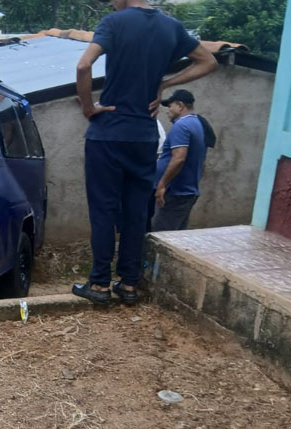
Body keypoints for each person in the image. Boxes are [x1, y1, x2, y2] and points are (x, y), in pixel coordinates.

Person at [73, 0, 217, 306]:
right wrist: (165, 84)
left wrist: (88, 107)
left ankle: (98, 284)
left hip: (107, 133)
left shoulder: (115, 22)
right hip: (144, 134)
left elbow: (84, 65)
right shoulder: (172, 27)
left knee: (103, 210)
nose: (111, 2)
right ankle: (128, 284)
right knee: (137, 211)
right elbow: (208, 61)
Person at [152, 89, 211, 231]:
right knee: (176, 235)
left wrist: (161, 185)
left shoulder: (181, 126)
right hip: (187, 191)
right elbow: (202, 161)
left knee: (162, 237)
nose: (168, 111)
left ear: (179, 105)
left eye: (170, 106)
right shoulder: (199, 124)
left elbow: (179, 158)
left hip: (175, 192)